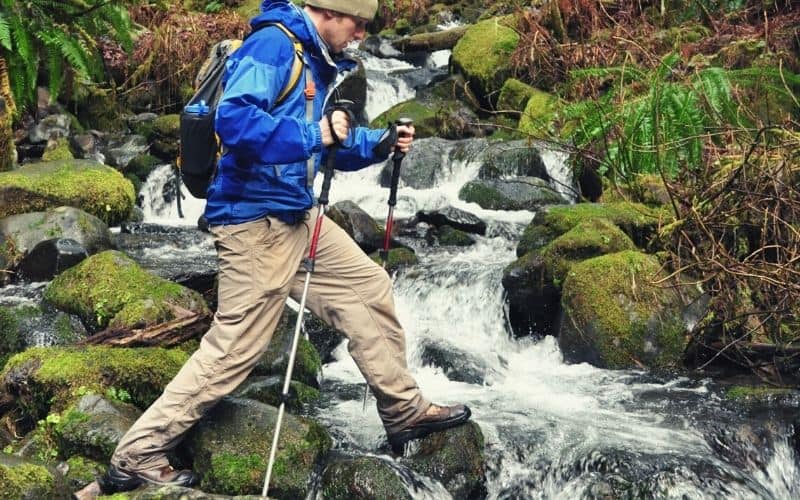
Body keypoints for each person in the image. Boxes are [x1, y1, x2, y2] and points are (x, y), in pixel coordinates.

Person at [99, 0, 470, 493]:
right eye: (358, 23)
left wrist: (377, 144)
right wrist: (315, 131)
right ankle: (137, 454)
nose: (360, 34)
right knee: (234, 350)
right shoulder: (274, 45)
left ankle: (404, 411)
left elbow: (323, 142)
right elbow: (234, 121)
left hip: (295, 213)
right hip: (256, 222)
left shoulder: (314, 57)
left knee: (368, 287)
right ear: (331, 12)